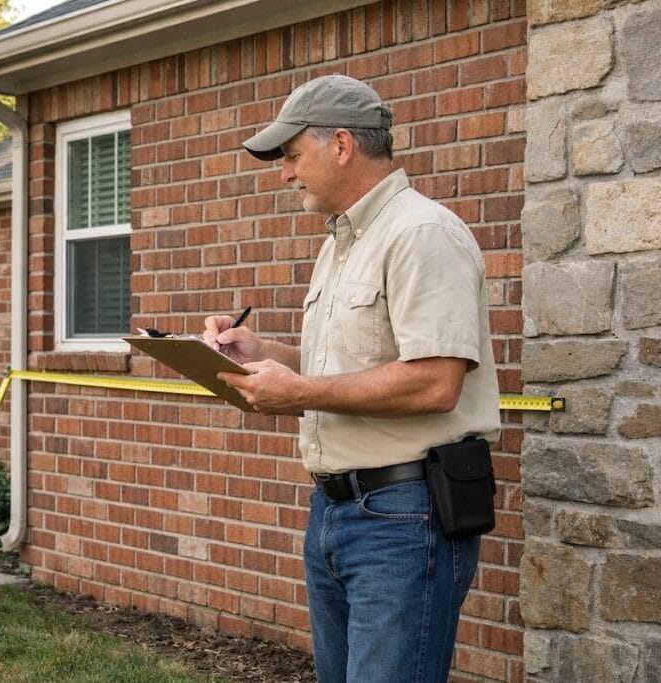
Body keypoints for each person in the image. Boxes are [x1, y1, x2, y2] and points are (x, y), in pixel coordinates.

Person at [203, 75, 501, 682]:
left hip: (404, 516)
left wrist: (299, 393)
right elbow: (350, 366)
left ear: (341, 145)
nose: (285, 174)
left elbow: (434, 382)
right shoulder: (341, 242)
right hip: (337, 512)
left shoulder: (421, 234)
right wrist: (263, 352)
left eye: (291, 156)